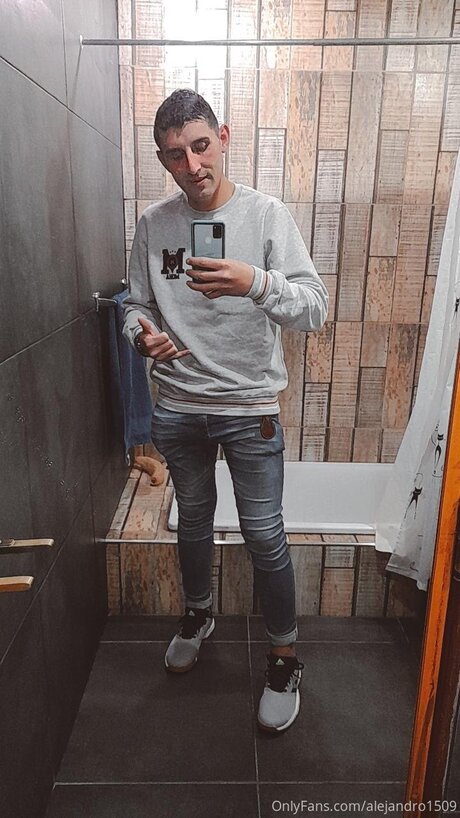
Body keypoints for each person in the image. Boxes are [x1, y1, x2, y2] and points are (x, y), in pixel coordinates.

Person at [123, 88, 328, 733]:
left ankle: (285, 657)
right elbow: (137, 304)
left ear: (225, 137)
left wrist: (255, 283)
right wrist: (142, 335)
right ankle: (198, 614)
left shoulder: (266, 216)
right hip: (178, 407)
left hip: (249, 407)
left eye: (201, 146)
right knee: (192, 522)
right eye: (175, 155)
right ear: (164, 160)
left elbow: (314, 308)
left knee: (264, 535)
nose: (192, 166)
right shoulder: (154, 224)